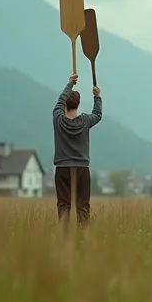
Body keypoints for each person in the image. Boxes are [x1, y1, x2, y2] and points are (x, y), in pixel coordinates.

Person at [54, 73, 102, 229]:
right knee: (82, 205)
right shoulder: (85, 121)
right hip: (81, 168)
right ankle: (84, 234)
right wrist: (97, 96)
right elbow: (98, 114)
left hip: (62, 168)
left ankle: (64, 234)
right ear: (78, 104)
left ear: (65, 105)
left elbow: (59, 102)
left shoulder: (58, 119)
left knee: (64, 204)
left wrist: (70, 84)